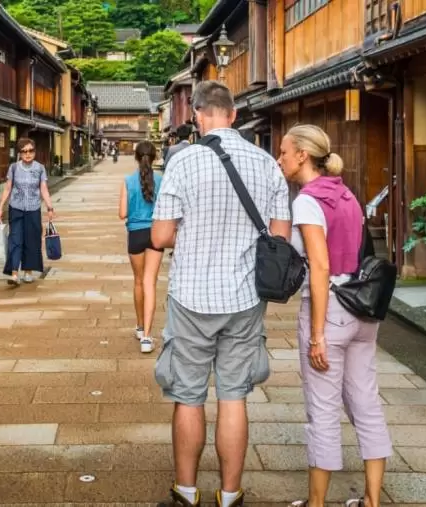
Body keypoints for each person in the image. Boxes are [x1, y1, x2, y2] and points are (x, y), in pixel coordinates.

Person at [151, 80, 292, 507]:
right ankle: (230, 495)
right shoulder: (266, 163)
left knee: (188, 395)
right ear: (232, 115)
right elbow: (281, 237)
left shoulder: (183, 161)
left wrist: (192, 234)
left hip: (192, 293)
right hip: (246, 296)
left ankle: (187, 492)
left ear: (196, 115)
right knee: (234, 396)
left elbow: (159, 236)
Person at [277, 125, 392, 507]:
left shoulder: (308, 201)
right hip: (363, 311)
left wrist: (317, 335)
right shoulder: (347, 194)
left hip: (330, 310)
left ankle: (316, 504)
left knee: (323, 410)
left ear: (302, 157)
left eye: (284, 153)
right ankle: (373, 500)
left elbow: (320, 267)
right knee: (366, 403)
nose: (280, 160)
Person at [117, 141, 164, 354]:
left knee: (138, 281)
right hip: (155, 234)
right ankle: (147, 337)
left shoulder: (128, 181)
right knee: (150, 283)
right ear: (154, 158)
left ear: (136, 157)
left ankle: (139, 326)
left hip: (135, 233)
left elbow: (122, 213)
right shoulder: (162, 180)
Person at [0, 138, 56, 286]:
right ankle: (14, 273)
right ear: (20, 153)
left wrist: (49, 207)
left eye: (30, 151)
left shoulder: (40, 168)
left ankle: (28, 271)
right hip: (16, 208)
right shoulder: (14, 168)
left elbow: (43, 189)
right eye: (24, 151)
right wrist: (0, 207)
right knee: (15, 239)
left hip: (33, 209)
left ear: (34, 152)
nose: (27, 154)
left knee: (32, 239)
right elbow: (8, 188)